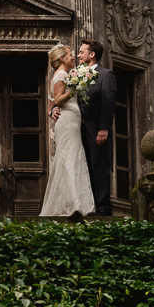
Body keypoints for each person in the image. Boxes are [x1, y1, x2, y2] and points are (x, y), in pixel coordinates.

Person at [39, 44, 95, 217]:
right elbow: (57, 100)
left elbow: (50, 107)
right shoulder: (62, 74)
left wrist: (52, 112)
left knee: (69, 156)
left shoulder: (57, 76)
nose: (73, 58)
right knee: (71, 156)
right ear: (62, 58)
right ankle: (74, 204)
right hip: (68, 121)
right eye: (71, 54)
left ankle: (71, 201)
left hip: (69, 121)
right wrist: (75, 89)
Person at [76, 39, 117, 215]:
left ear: (91, 55)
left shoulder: (106, 75)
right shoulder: (76, 76)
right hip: (79, 131)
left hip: (97, 131)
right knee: (86, 168)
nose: (78, 55)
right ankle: (89, 206)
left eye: (81, 52)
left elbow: (108, 102)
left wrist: (103, 128)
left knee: (99, 168)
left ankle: (103, 209)